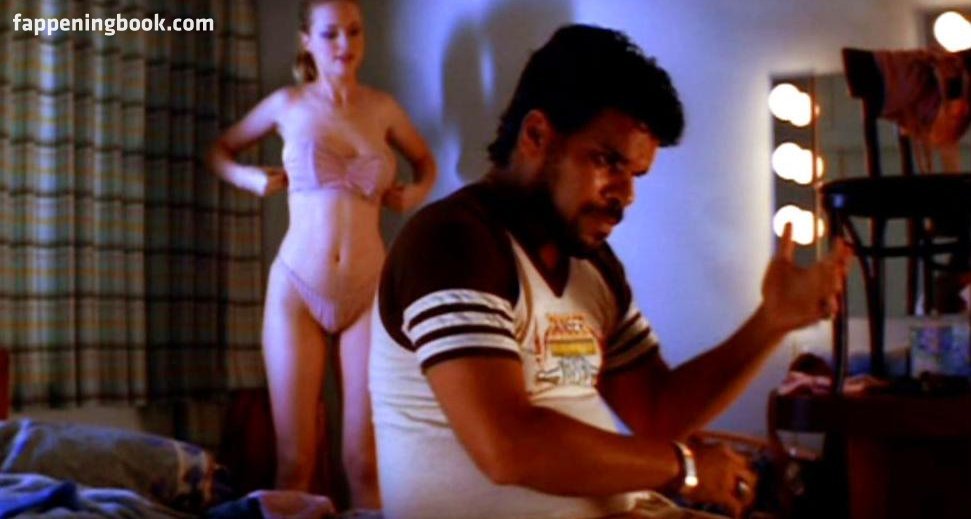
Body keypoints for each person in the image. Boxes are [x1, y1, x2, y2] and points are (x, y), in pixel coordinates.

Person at [369, 24, 851, 519]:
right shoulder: (454, 242)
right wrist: (684, 468)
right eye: (607, 162)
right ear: (536, 135)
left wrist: (770, 322)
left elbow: (658, 414)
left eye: (634, 175)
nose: (625, 195)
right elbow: (508, 446)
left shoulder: (591, 264)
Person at [207, 0, 436, 508]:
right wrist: (248, 178)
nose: (345, 45)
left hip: (369, 292)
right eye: (331, 34)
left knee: (365, 462)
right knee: (295, 462)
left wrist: (415, 193)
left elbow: (426, 163)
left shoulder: (383, 108)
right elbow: (220, 151)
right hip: (297, 289)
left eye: (354, 32)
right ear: (307, 41)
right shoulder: (286, 104)